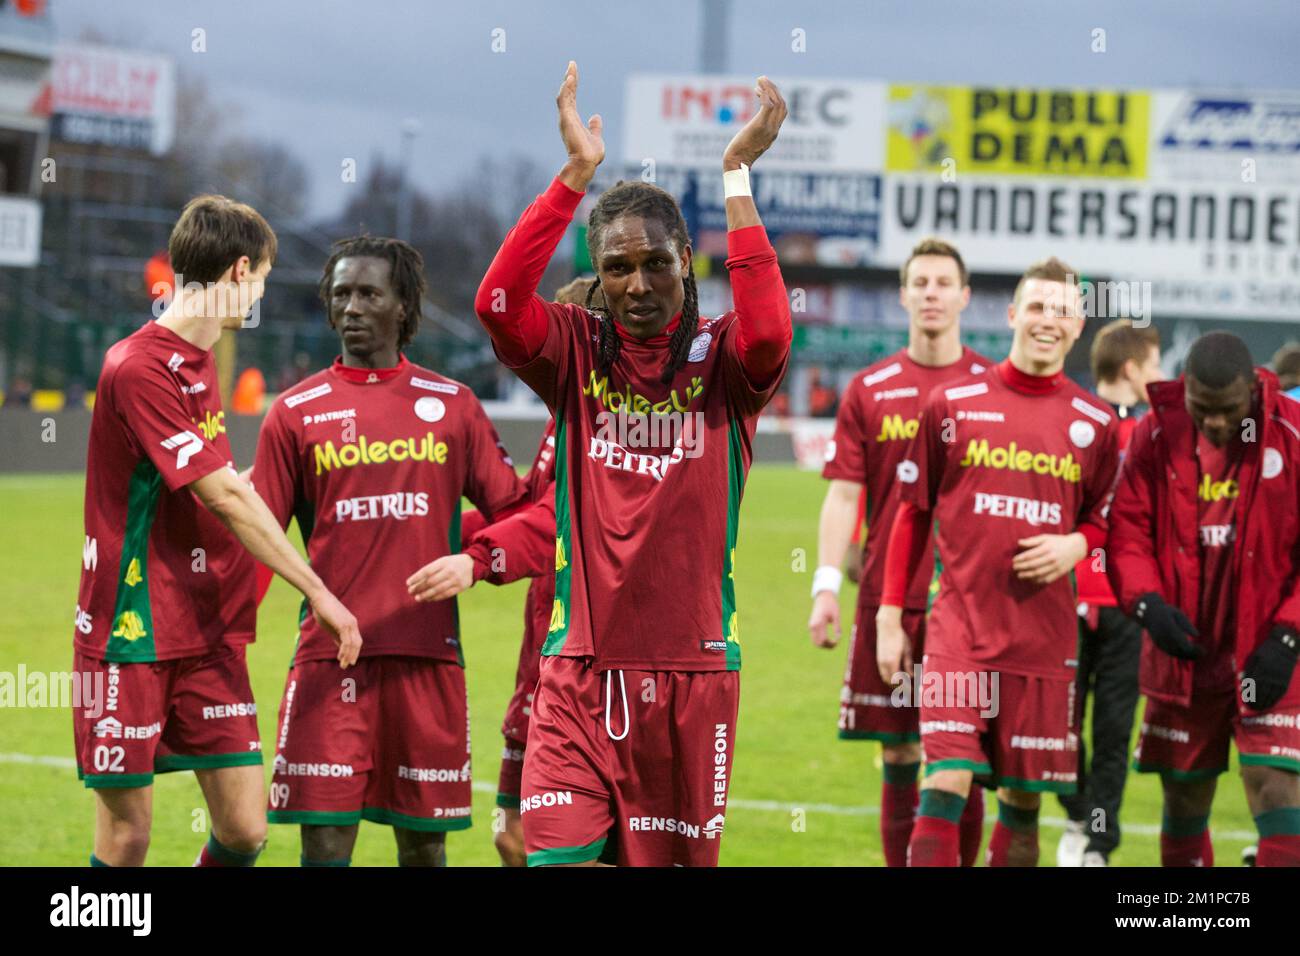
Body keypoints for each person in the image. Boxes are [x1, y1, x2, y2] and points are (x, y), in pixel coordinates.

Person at [472, 62, 791, 866]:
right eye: (616, 267)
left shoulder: (723, 359)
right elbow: (499, 305)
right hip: (576, 672)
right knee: (555, 859)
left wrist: (736, 177)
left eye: (655, 262)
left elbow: (772, 333)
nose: (637, 283)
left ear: (689, 259)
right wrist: (574, 176)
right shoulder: (575, 349)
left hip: (691, 674)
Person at [72, 195, 360, 868]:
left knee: (242, 826)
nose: (260, 290)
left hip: (204, 632)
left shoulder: (202, 361)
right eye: (261, 276)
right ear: (238, 272)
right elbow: (225, 495)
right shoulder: (137, 365)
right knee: (127, 837)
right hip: (130, 628)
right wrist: (318, 590)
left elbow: (226, 484)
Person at [251, 236, 529, 866]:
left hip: (428, 660)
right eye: (341, 293)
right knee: (323, 843)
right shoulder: (293, 413)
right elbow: (257, 535)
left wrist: (476, 561)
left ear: (402, 307)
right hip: (331, 658)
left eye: (369, 293)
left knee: (425, 851)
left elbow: (517, 513)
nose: (351, 306)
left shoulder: (454, 408)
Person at [878, 257, 1120, 867]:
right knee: (946, 779)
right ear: (1013, 314)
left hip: (1043, 641)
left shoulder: (1098, 424)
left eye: (1061, 311)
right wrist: (888, 614)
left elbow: (1108, 523)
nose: (1047, 320)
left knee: (1021, 799)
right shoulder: (951, 405)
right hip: (960, 630)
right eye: (1036, 307)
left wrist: (1076, 545)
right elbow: (912, 513)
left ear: (1078, 325)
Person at [809, 237, 990, 866]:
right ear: (904, 295)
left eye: (944, 283)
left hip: (969, 607)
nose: (932, 293)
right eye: (921, 283)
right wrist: (825, 584)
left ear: (965, 296)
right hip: (889, 601)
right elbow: (841, 497)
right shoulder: (869, 388)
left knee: (958, 757)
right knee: (899, 753)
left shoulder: (990, 386)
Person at [409, 277, 595, 867]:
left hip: (585, 663)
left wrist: (478, 558)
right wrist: (423, 531)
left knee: (549, 843)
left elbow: (555, 521)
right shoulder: (561, 416)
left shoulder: (602, 424)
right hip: (537, 655)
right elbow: (525, 507)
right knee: (510, 836)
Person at [1109, 331, 1300, 867]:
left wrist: (1288, 636)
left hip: (1270, 654)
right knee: (1184, 796)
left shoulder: (1291, 433)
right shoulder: (1154, 434)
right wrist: (1146, 603)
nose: (1213, 422)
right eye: (1201, 408)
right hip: (1186, 658)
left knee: (1276, 789)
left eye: (1226, 410)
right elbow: (1127, 531)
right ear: (1184, 388)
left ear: (1253, 393)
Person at [1056, 320, 1162, 867]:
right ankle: (1076, 814)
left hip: (1127, 605)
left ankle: (1099, 842)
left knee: (1115, 729)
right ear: (1131, 369)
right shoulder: (1070, 421)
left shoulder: (1157, 434)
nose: (1162, 376)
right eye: (1156, 365)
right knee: (1059, 721)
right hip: (1066, 598)